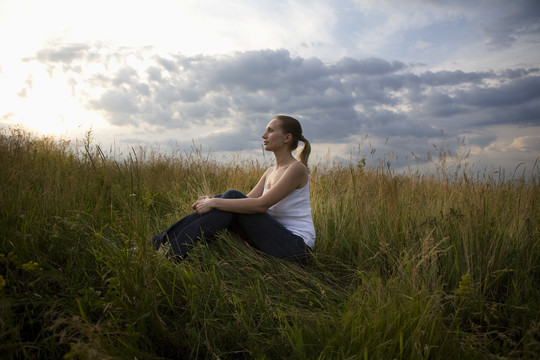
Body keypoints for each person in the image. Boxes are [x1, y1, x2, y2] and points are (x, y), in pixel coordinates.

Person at [152, 115, 315, 262]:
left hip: (296, 247)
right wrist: (213, 200)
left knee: (228, 197)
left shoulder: (296, 168)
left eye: (270, 131)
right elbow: (244, 202)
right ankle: (162, 245)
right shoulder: (270, 171)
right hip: (273, 238)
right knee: (225, 199)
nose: (263, 136)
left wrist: (214, 202)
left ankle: (168, 252)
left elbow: (260, 205)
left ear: (287, 138)